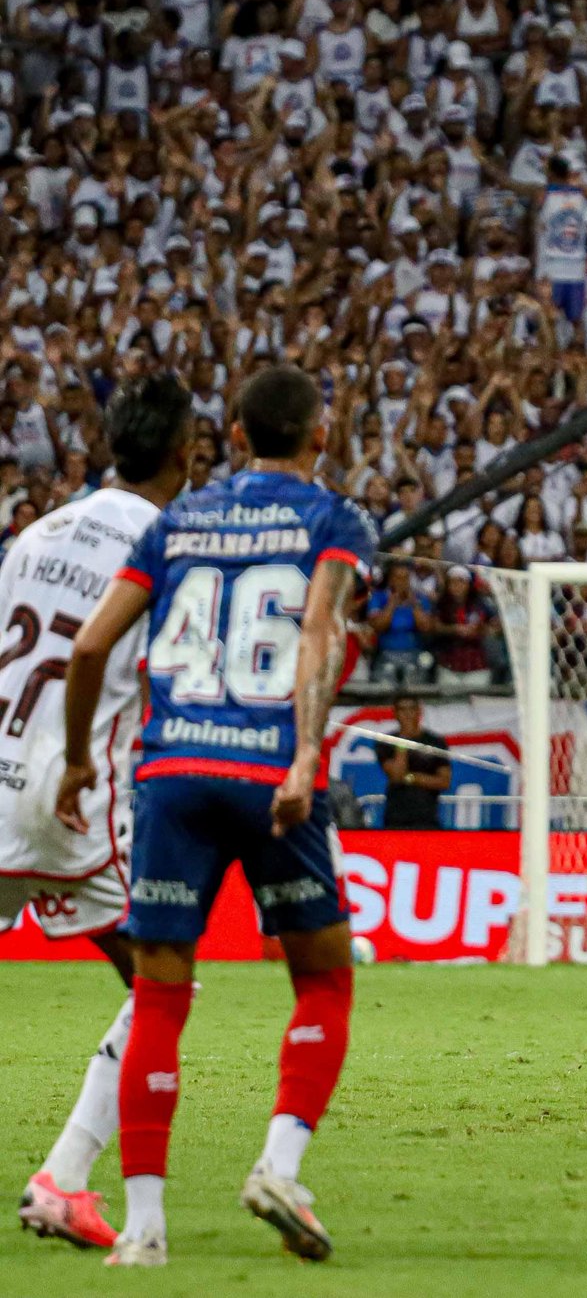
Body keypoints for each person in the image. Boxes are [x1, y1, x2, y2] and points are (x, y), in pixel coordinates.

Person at [57, 365, 379, 1265]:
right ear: (321, 437)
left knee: (159, 997)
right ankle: (278, 1164)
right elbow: (317, 633)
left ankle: (144, 1230)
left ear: (232, 438)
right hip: (268, 772)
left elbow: (89, 646)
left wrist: (83, 757)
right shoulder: (332, 519)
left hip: (173, 773)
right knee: (322, 981)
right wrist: (308, 755)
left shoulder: (179, 519)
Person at [10, 376, 193, 1251]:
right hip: (68, 792)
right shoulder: (166, 543)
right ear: (186, 455)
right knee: (162, 983)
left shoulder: (35, 530)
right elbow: (173, 673)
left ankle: (64, 1180)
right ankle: (64, 1177)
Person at [373, 694, 451, 828]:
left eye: (412, 709)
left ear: (419, 711)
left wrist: (410, 777)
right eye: (402, 710)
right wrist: (402, 741)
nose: (407, 714)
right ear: (395, 714)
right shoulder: (386, 742)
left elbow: (444, 781)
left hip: (427, 817)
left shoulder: (435, 742)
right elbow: (397, 775)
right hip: (396, 817)